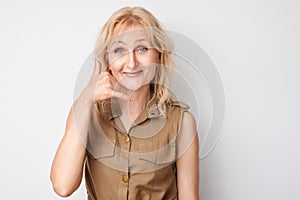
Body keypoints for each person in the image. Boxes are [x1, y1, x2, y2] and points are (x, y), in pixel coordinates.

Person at [50, 6, 199, 200]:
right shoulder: (85, 111)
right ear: (107, 61)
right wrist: (87, 97)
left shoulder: (182, 121)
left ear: (159, 56)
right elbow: (63, 186)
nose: (131, 63)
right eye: (119, 50)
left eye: (142, 49)